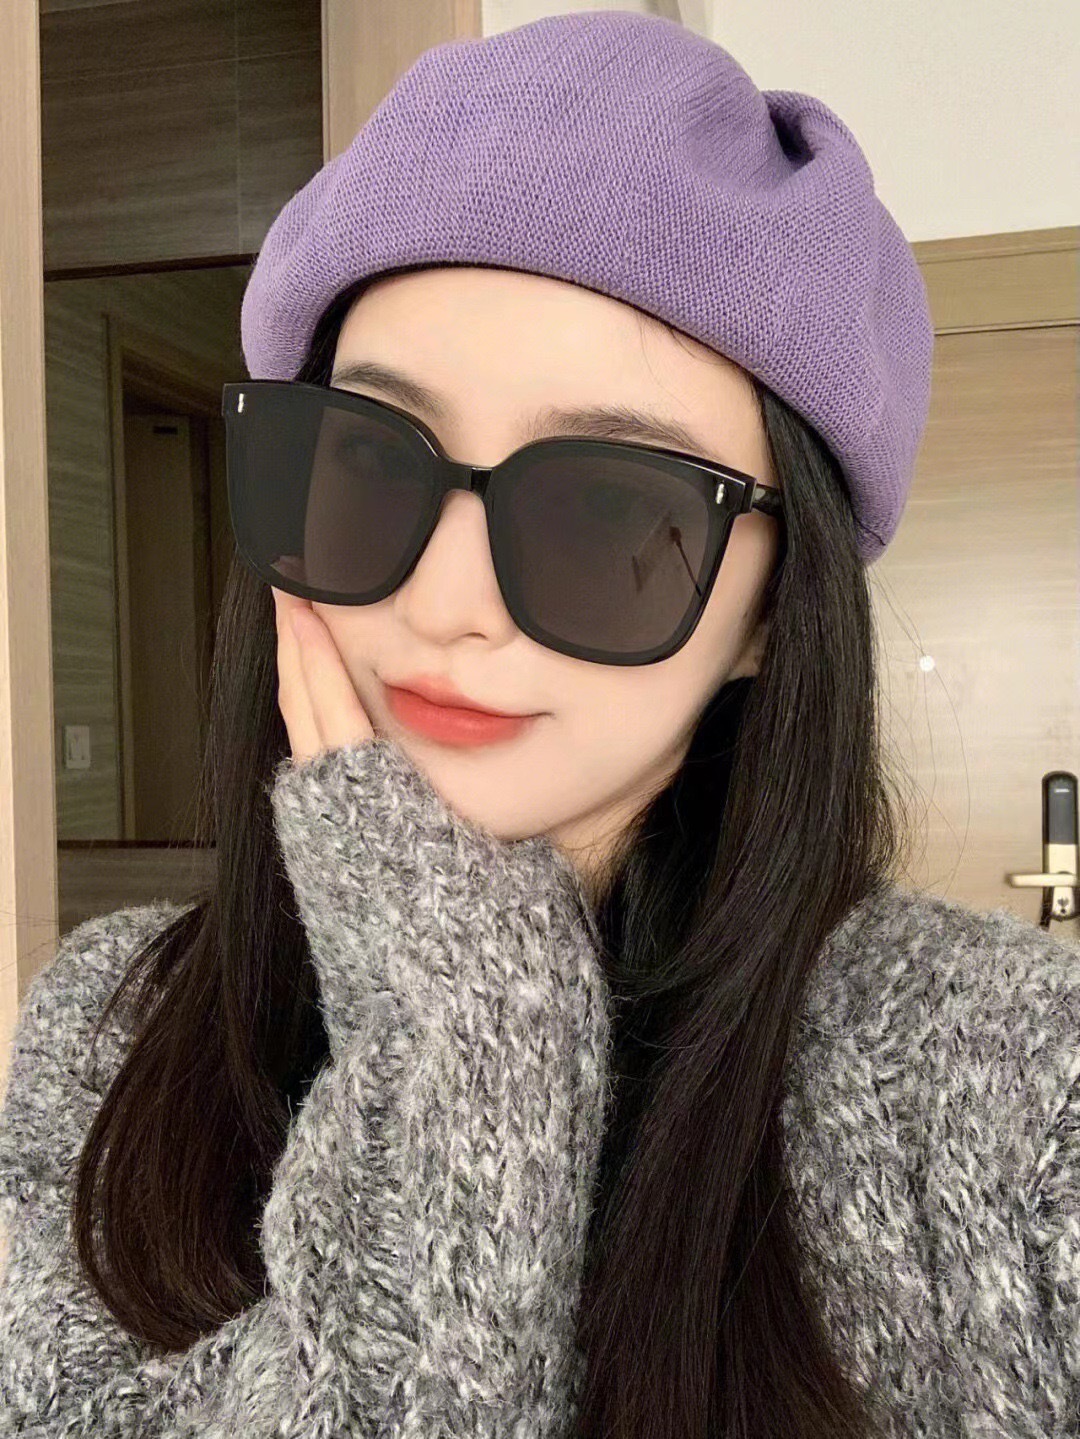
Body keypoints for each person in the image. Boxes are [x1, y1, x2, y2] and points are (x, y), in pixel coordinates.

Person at [1, 11, 1076, 1439]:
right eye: (369, 457)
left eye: (609, 508)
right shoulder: (115, 1019)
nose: (448, 602)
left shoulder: (1019, 1079)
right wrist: (462, 1038)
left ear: (774, 612)